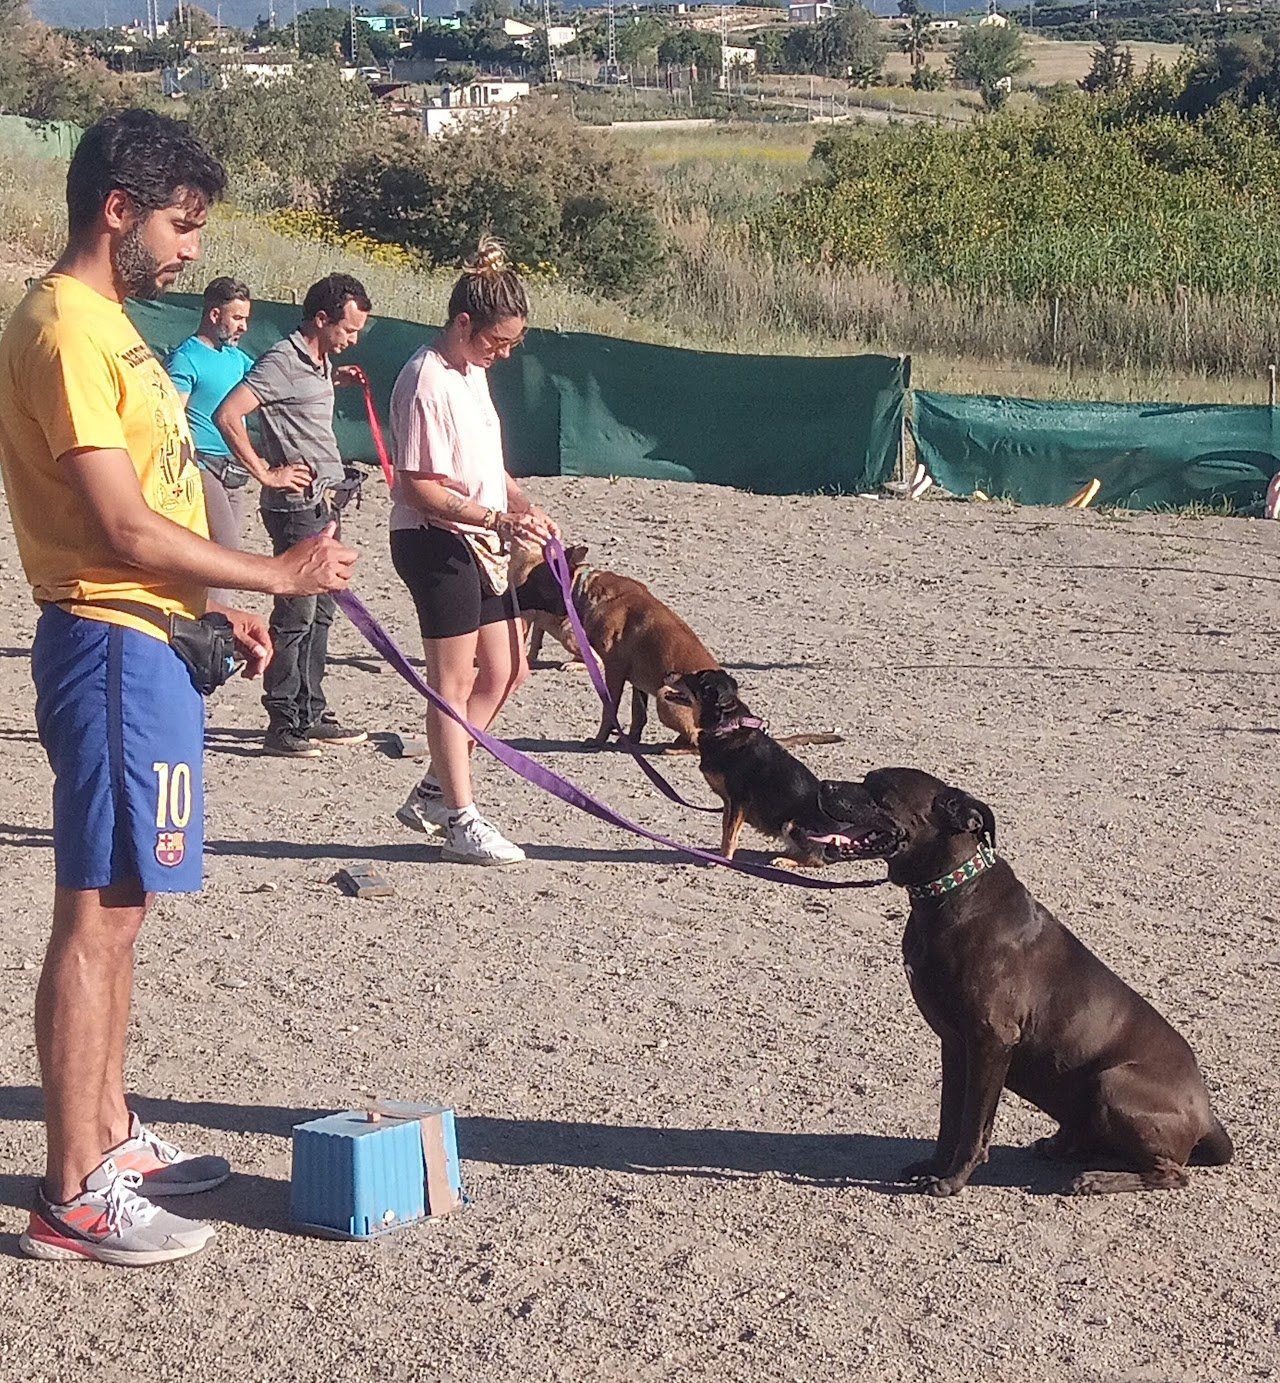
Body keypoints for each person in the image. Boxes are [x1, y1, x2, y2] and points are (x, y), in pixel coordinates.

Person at [0, 109, 357, 1266]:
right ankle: (71, 1192)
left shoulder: (115, 329)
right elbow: (113, 521)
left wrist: (219, 608)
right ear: (118, 209)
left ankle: (107, 1135)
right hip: (106, 644)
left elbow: (158, 493)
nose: (191, 249)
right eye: (181, 224)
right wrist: (273, 567)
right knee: (97, 913)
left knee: (128, 905)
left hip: (149, 639)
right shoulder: (62, 328)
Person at [389, 237, 557, 866]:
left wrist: (522, 505)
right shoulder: (426, 379)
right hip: (435, 540)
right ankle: (461, 817)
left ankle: (435, 789)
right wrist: (496, 519)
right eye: (497, 341)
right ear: (464, 323)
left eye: (512, 343)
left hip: (484, 537)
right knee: (451, 684)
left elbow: (490, 464)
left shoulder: (474, 373)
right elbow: (419, 486)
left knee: (509, 667)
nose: (504, 353)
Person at [215, 273, 371, 759]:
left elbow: (298, 410)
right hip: (297, 507)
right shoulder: (282, 360)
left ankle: (312, 710)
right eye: (348, 330)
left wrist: (333, 380)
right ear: (321, 320)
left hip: (327, 502)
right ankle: (282, 722)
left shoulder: (318, 363)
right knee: (296, 612)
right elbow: (229, 414)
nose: (353, 340)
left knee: (323, 612)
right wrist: (265, 472)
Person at [164, 276, 256, 605]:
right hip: (201, 465)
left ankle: (210, 618)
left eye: (246, 319)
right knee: (226, 548)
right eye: (237, 318)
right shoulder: (186, 358)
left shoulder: (237, 359)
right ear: (215, 315)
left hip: (235, 467)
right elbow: (170, 418)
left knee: (224, 551)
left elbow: (274, 383)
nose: (244, 327)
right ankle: (214, 624)